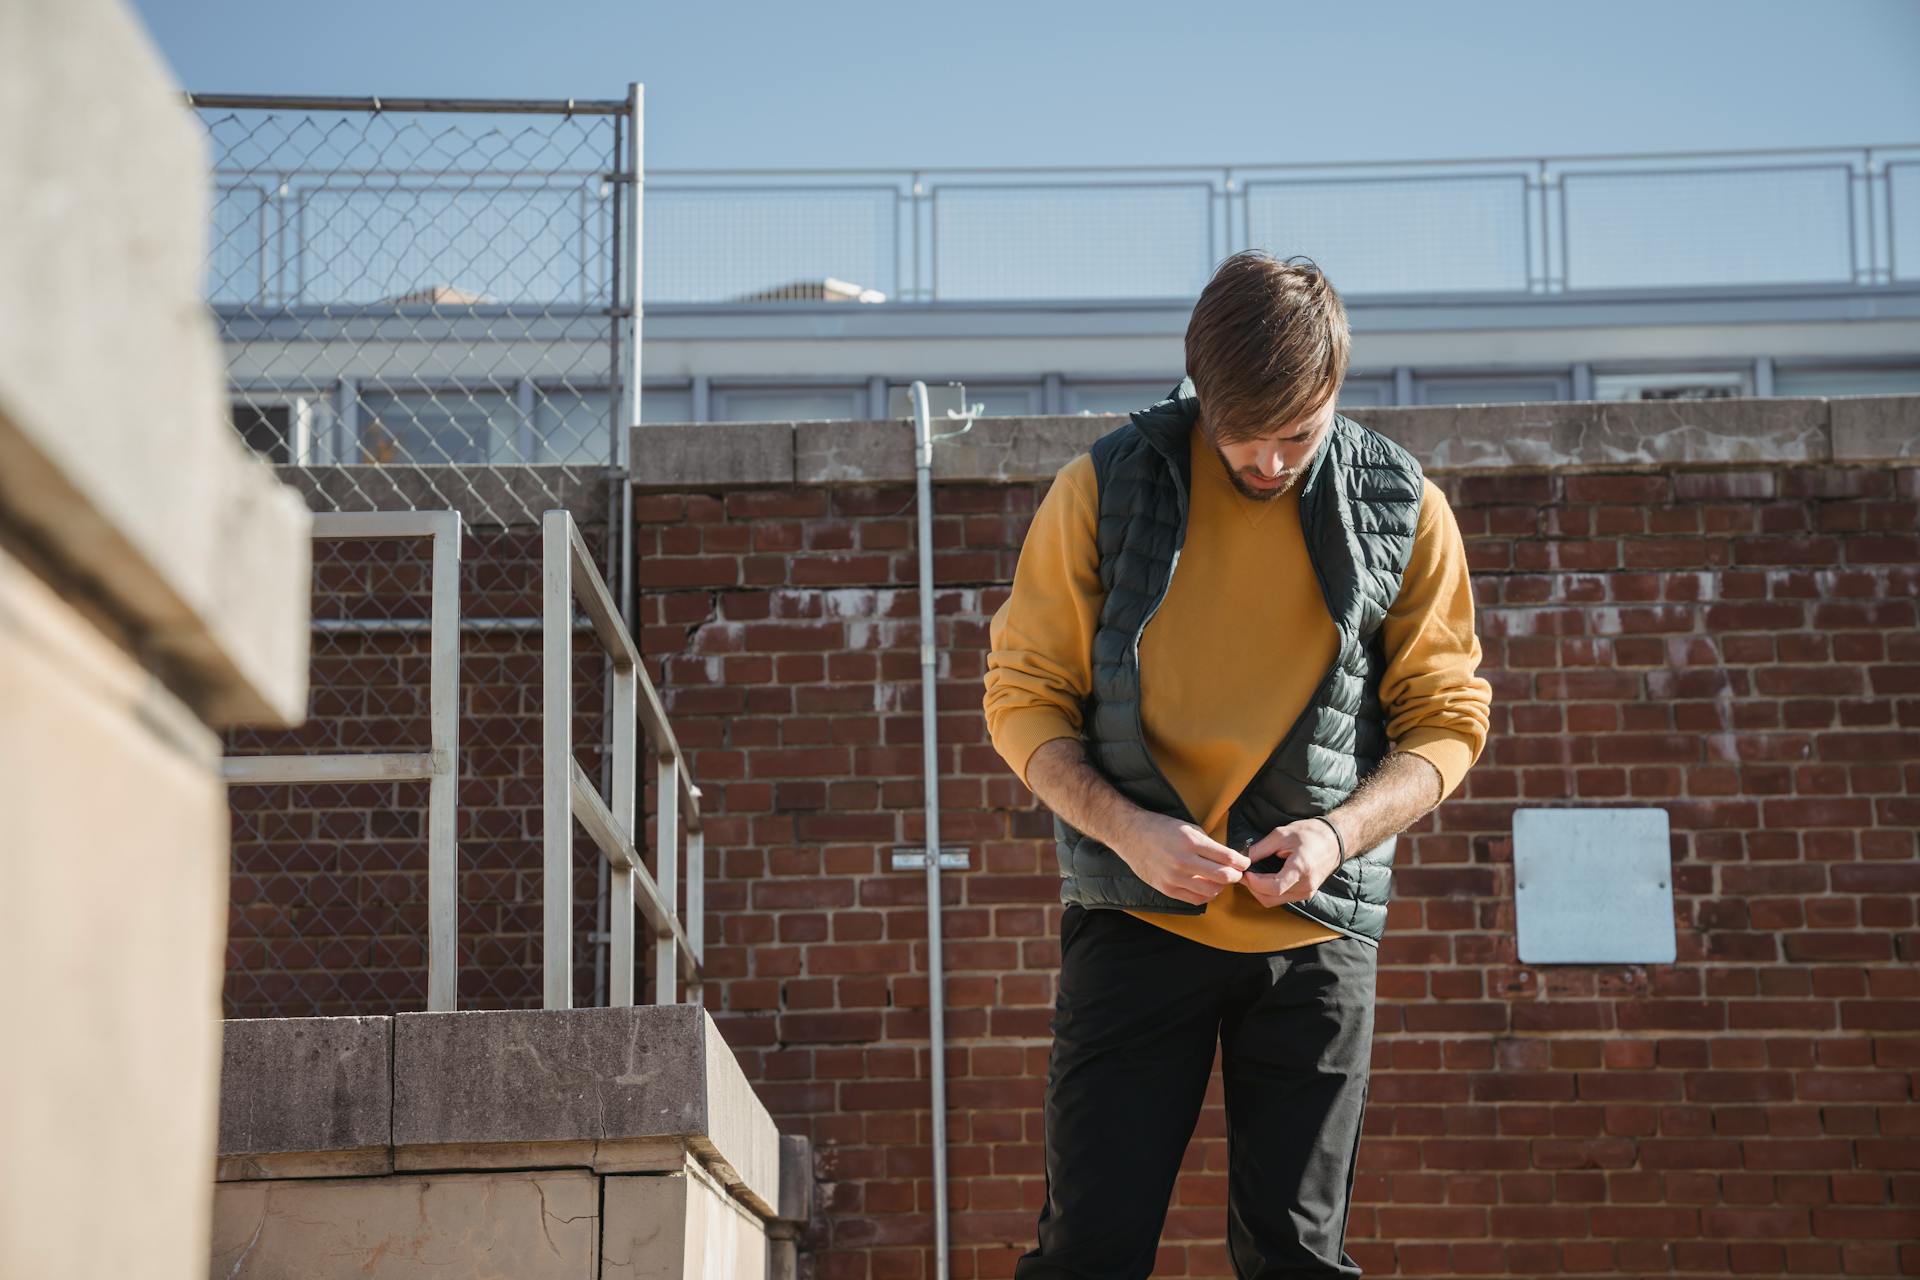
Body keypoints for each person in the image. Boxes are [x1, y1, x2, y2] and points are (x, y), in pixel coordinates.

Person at [983, 249, 1492, 1278]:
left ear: (1337, 390)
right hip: (1134, 914)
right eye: (1242, 436)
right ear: (1199, 394)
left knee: (1298, 1254)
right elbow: (1021, 695)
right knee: (1088, 1249)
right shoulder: (1102, 487)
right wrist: (1128, 829)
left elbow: (1448, 718)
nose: (1267, 462)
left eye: (1297, 434)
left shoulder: (1405, 506)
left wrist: (1337, 832)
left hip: (1318, 927)